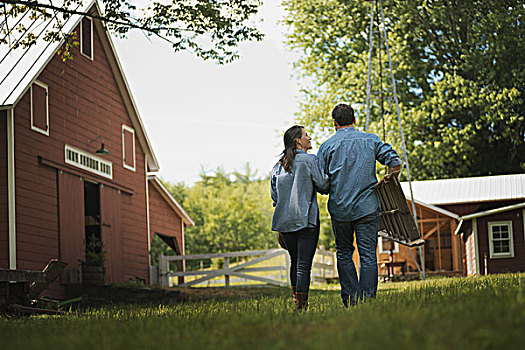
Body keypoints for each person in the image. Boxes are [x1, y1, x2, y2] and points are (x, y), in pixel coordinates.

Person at [317, 104, 402, 307]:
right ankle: (368, 300)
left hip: (340, 209)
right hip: (367, 207)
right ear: (354, 120)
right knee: (367, 254)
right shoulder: (371, 140)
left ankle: (351, 300)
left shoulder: (327, 146)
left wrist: (330, 188)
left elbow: (321, 182)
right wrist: (386, 183)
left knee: (344, 252)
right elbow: (395, 162)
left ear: (334, 123)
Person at [271, 125, 329, 311]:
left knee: (295, 262)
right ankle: (301, 307)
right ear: (298, 140)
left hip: (284, 223)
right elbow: (323, 185)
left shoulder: (278, 165)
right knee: (304, 265)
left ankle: (297, 302)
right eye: (306, 135)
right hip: (306, 220)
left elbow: (274, 196)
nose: (309, 137)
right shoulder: (310, 160)